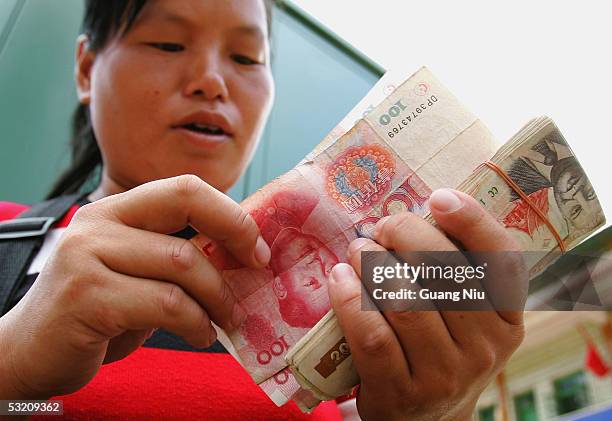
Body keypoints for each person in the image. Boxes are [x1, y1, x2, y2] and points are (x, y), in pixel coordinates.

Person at [0, 0, 526, 420]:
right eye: (167, 42)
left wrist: (444, 411)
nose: (212, 80)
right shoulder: (7, 235)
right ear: (88, 70)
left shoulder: (365, 296)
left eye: (247, 58)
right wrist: (14, 375)